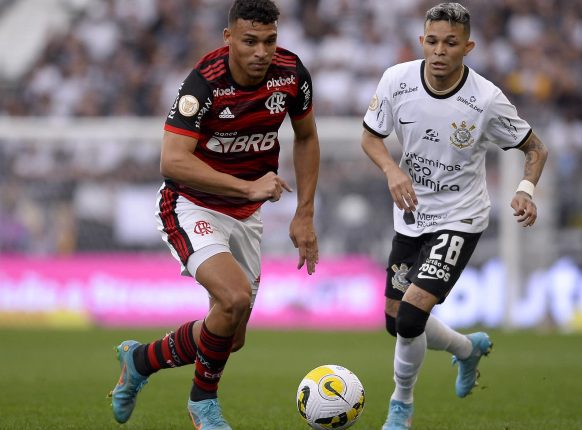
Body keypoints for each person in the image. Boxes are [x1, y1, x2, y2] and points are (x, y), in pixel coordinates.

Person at [108, 1, 320, 429]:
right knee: (234, 297)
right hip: (190, 204)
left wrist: (304, 215)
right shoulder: (203, 83)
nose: (262, 51)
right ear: (228, 40)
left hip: (246, 215)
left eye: (270, 40)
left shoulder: (292, 73)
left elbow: (307, 136)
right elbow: (172, 161)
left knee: (229, 335)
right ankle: (203, 405)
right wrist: (247, 186)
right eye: (250, 41)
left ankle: (139, 360)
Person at [361, 3, 548, 429]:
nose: (439, 51)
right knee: (396, 322)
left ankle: (400, 406)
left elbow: (536, 147)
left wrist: (524, 189)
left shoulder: (485, 100)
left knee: (410, 317)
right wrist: (392, 170)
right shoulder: (397, 80)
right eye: (432, 41)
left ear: (468, 46)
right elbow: (370, 137)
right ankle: (467, 349)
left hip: (460, 219)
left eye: (450, 43)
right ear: (421, 41)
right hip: (410, 216)